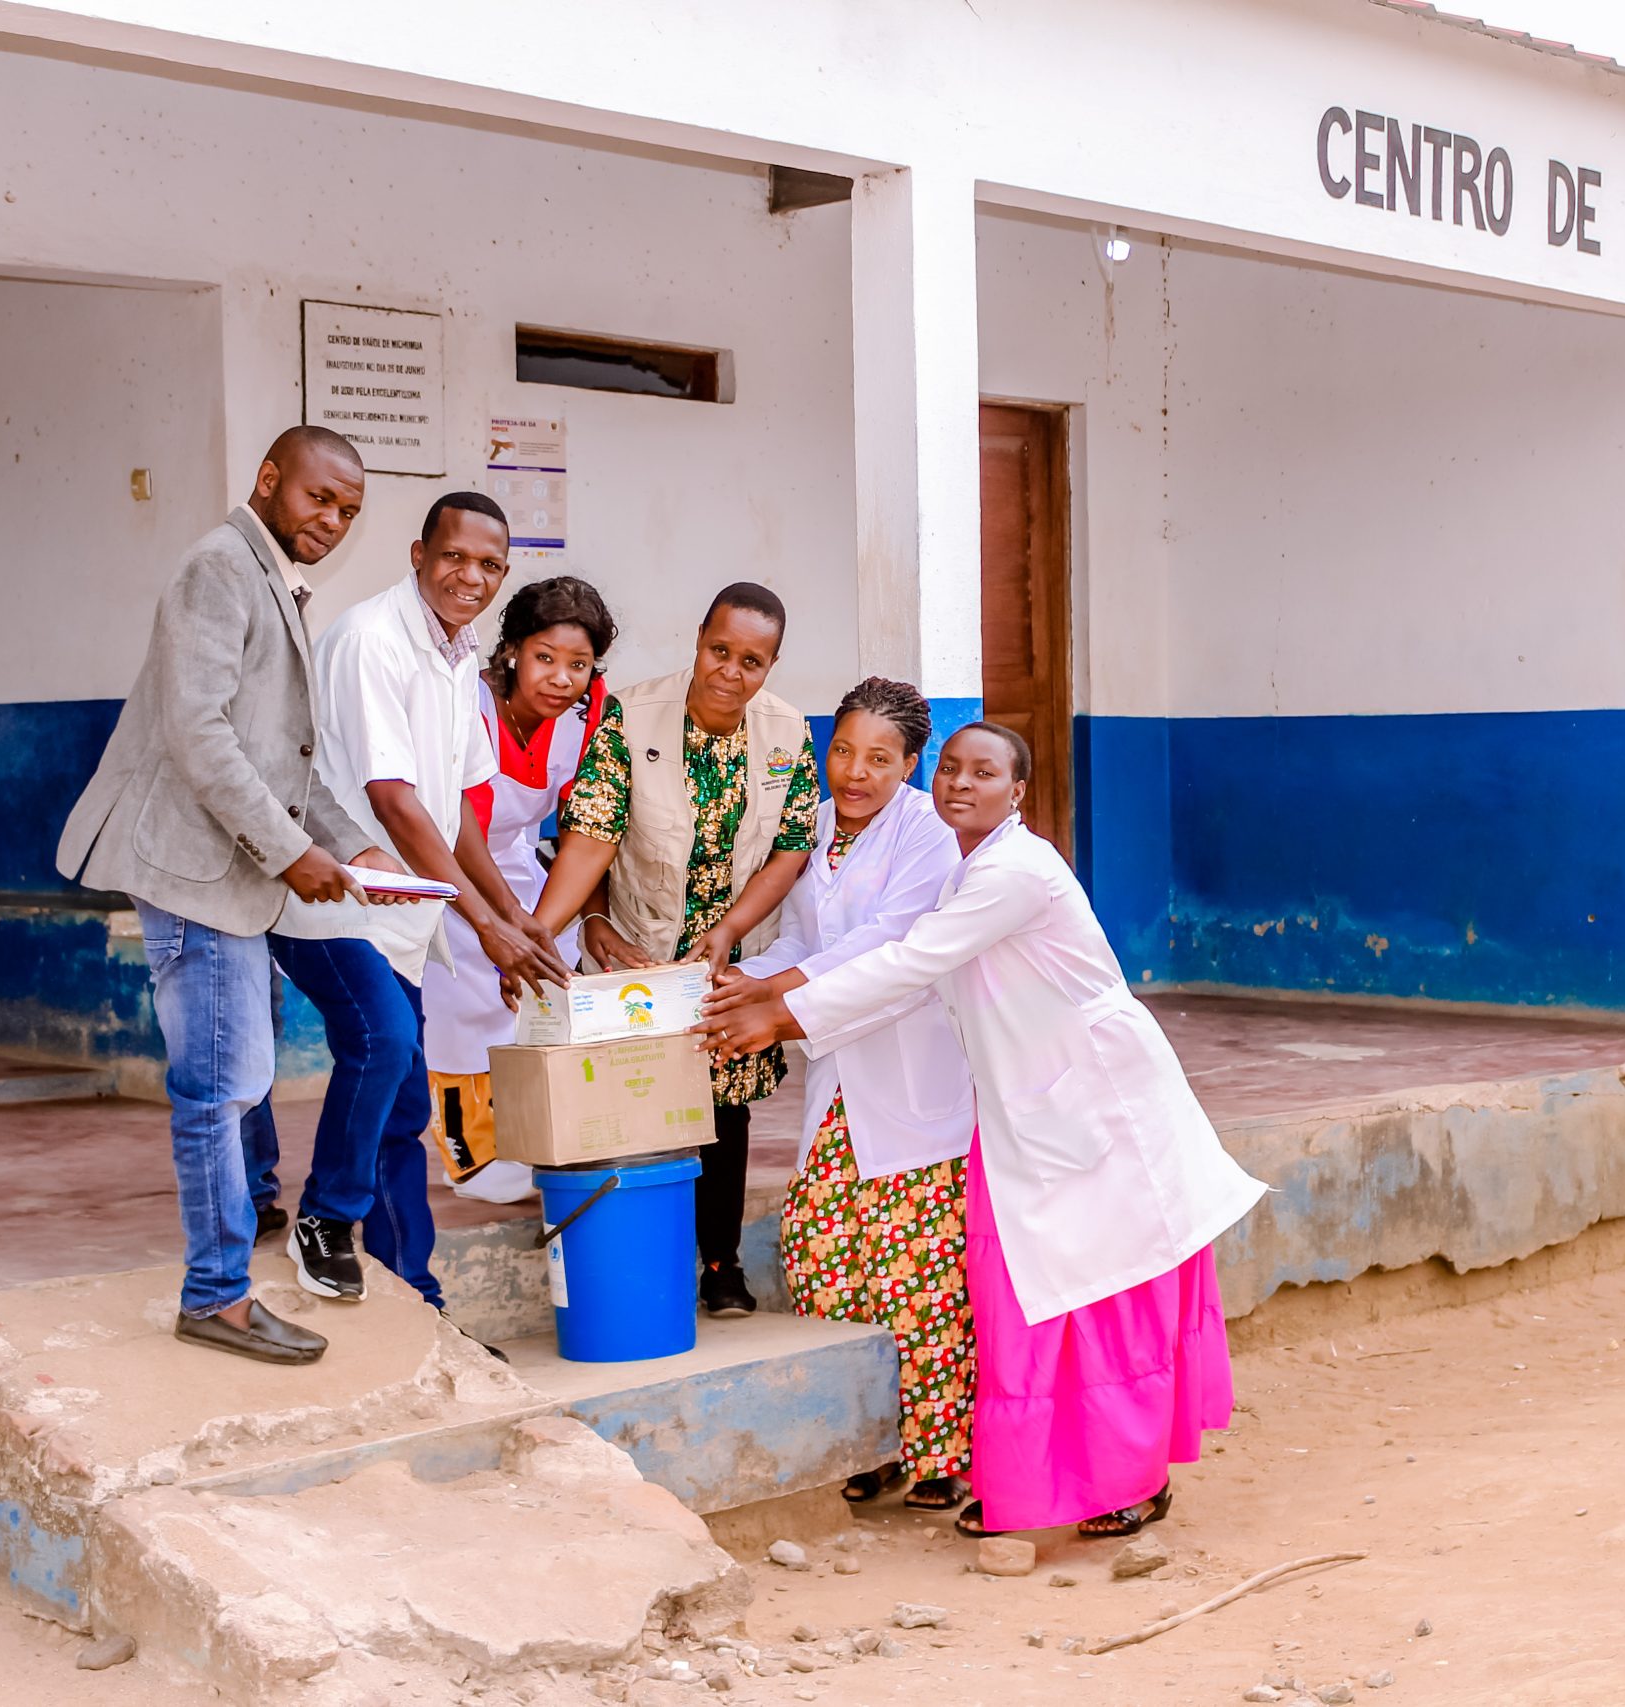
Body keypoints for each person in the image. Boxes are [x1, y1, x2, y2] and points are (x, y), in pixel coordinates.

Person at [696, 723, 1267, 1539]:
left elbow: (910, 962)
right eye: (952, 769)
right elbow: (899, 966)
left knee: (1106, 1295)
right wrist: (770, 1000)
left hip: (1097, 1103)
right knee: (1025, 1296)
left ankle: (1132, 1480)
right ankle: (1042, 1481)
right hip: (1029, 1110)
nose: (962, 783)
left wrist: (782, 1017)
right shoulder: (968, 869)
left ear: (1017, 791)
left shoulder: (1015, 872)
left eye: (985, 771)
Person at [56, 425, 410, 1366]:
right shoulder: (219, 567)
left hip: (225, 874)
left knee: (236, 1079)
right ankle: (216, 1296)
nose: (332, 521)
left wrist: (356, 848)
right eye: (318, 499)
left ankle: (222, 1284)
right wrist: (295, 854)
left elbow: (276, 761)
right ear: (269, 481)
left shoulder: (268, 576)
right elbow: (200, 738)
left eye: (348, 511)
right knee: (217, 1091)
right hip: (194, 873)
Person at [268, 491, 564, 1316]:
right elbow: (396, 801)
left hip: (401, 915)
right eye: (456, 557)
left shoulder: (459, 652)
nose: (472, 577)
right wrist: (484, 925)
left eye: (490, 565)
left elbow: (460, 807)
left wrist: (517, 921)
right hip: (333, 897)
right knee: (386, 1040)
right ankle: (324, 1220)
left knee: (402, 1107)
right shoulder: (371, 640)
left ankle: (416, 1297)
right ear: (417, 553)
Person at [535, 582, 819, 1318]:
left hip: (729, 955)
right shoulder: (628, 715)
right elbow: (593, 832)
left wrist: (728, 933)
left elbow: (788, 852)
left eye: (752, 660)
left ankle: (720, 1265)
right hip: (641, 951)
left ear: (772, 665)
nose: (731, 670)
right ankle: (640, 1264)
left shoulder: (789, 733)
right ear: (698, 638)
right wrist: (550, 931)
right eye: (719, 650)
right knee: (632, 1101)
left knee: (725, 1110)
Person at [725, 678, 976, 1510]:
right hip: (836, 1073)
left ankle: (940, 1454)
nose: (854, 771)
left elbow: (887, 944)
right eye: (842, 750)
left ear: (911, 763)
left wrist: (777, 1003)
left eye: (878, 757)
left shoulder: (929, 835)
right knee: (825, 1255)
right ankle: (870, 1440)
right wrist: (732, 983)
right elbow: (802, 934)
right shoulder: (815, 827)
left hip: (907, 1072)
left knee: (919, 1271)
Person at [419, 576, 617, 1204]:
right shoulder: (468, 708)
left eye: (578, 665)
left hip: (521, 870)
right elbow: (458, 824)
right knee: (456, 1009)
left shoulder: (585, 718)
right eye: (545, 658)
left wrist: (577, 917)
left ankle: (523, 1136)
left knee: (532, 1007)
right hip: (443, 868)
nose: (561, 678)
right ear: (511, 652)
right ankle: (468, 1155)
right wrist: (503, 920)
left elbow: (587, 826)